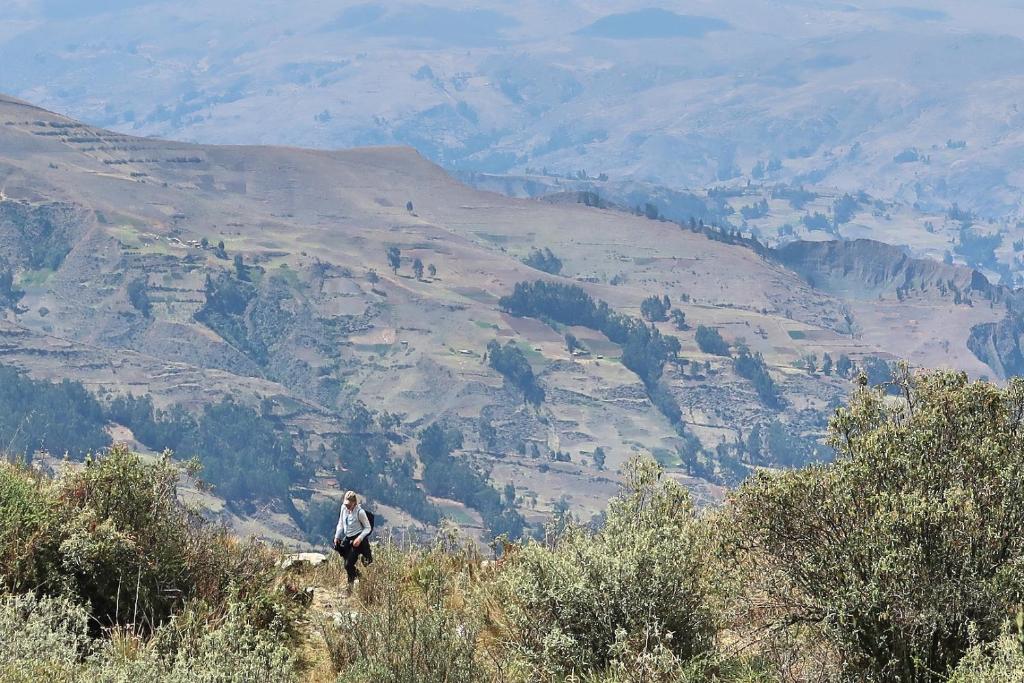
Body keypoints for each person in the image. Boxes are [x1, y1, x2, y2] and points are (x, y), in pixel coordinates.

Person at [334, 490, 372, 591]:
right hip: (348, 538)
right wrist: (337, 536)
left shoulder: (360, 512)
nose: (347, 506)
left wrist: (359, 538)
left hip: (357, 540)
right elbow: (341, 523)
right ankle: (356, 580)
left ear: (354, 503)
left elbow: (367, 528)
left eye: (349, 505)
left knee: (348, 564)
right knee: (347, 564)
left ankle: (354, 583)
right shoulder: (343, 508)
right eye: (346, 504)